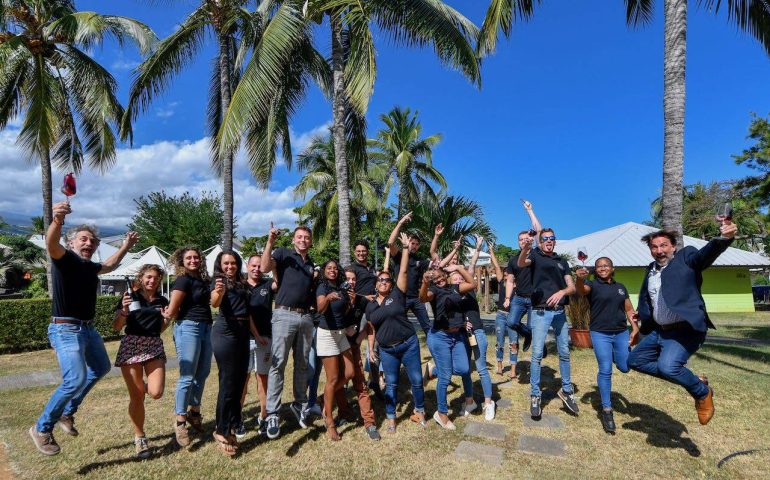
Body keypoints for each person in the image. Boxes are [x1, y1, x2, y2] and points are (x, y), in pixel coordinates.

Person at [29, 201, 138, 456]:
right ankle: (42, 428)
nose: (89, 243)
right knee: (74, 379)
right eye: (83, 239)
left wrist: (125, 246)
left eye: (93, 241)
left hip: (87, 330)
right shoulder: (64, 259)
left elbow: (109, 266)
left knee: (100, 367)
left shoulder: (90, 268)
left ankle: (67, 412)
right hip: (65, 329)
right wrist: (57, 221)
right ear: (72, 243)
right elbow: (51, 244)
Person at [628, 222, 737, 426]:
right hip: (660, 331)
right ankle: (695, 380)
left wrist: (724, 239)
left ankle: (702, 392)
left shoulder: (686, 258)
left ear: (673, 247)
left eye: (664, 246)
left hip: (685, 330)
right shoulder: (651, 270)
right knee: (634, 361)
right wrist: (640, 320)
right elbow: (648, 298)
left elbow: (704, 256)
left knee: (668, 367)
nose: (659, 251)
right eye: (654, 247)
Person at [366, 232, 427, 433]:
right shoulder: (371, 306)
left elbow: (402, 271)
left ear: (391, 284)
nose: (383, 282)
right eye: (380, 280)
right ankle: (391, 418)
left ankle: (420, 411)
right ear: (376, 284)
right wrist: (370, 348)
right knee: (391, 385)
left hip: (408, 344)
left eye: (386, 280)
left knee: (417, 381)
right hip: (387, 350)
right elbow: (371, 328)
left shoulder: (398, 295)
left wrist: (406, 249)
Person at [261, 224, 316, 439]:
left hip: (305, 317)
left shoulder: (311, 264)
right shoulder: (283, 253)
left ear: (310, 242)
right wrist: (270, 241)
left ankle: (299, 403)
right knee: (278, 364)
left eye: (306, 237)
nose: (303, 240)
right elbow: (265, 267)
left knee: (303, 364)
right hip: (284, 314)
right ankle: (273, 413)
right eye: (299, 237)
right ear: (294, 240)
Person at [518, 225, 578, 418]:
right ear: (540, 242)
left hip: (560, 312)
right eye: (545, 238)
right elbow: (521, 263)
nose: (549, 241)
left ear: (555, 240)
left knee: (565, 353)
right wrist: (527, 247)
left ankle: (567, 391)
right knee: (536, 355)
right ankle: (535, 395)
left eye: (552, 238)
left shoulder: (562, 261)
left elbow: (572, 287)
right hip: (540, 312)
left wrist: (562, 292)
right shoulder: (535, 256)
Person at [575, 257, 640, 434]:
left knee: (625, 367)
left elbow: (629, 309)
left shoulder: (621, 288)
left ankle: (611, 354)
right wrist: (579, 278)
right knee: (605, 370)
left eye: (606, 266)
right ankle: (607, 410)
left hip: (620, 332)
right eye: (599, 267)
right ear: (595, 270)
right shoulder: (592, 285)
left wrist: (635, 328)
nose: (602, 268)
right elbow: (581, 290)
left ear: (612, 268)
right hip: (600, 333)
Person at [112, 264, 170, 458]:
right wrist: (124, 311)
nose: (152, 281)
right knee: (137, 397)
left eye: (155, 278)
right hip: (131, 345)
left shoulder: (162, 300)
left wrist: (166, 320)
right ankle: (140, 437)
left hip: (153, 344)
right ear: (141, 278)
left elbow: (159, 328)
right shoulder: (130, 296)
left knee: (155, 392)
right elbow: (115, 327)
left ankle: (140, 385)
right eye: (148, 277)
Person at [419, 263, 477, 430]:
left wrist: (458, 268)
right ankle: (442, 413)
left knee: (464, 369)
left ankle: (432, 370)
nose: (438, 280)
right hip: (440, 337)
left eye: (440, 276)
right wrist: (424, 282)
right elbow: (423, 298)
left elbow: (473, 284)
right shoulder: (434, 291)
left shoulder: (455, 288)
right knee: (445, 377)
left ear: (445, 275)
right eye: (434, 278)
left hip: (457, 336)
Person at [166, 246, 212, 447]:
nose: (193, 260)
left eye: (196, 257)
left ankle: (195, 412)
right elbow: (173, 309)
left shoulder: (202, 281)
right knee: (187, 376)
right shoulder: (182, 280)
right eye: (189, 258)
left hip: (206, 327)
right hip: (188, 327)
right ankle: (180, 421)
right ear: (181, 262)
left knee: (202, 373)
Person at [210, 251, 251, 456]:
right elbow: (214, 302)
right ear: (220, 264)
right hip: (225, 333)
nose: (230, 266)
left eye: (233, 263)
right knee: (227, 382)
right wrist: (220, 291)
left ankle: (232, 424)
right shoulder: (218, 282)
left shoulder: (242, 282)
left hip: (243, 334)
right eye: (226, 263)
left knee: (239, 381)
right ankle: (221, 430)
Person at [315, 259, 357, 441]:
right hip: (327, 334)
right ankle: (330, 422)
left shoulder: (341, 287)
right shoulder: (322, 288)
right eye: (328, 268)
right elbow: (320, 309)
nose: (332, 270)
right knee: (332, 378)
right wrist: (327, 298)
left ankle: (325, 398)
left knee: (349, 372)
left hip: (340, 334)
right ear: (324, 271)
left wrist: (351, 302)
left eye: (334, 268)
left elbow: (343, 312)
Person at [236, 255, 276, 438]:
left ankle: (264, 416)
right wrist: (256, 336)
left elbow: (279, 280)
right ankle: (237, 419)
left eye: (260, 266)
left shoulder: (267, 285)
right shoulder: (239, 286)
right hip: (244, 339)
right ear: (247, 266)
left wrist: (273, 262)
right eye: (253, 265)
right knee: (242, 381)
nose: (256, 269)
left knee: (263, 379)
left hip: (265, 339)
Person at [458, 237, 495, 421]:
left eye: (461, 275)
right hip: (461, 336)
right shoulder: (449, 295)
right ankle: (470, 401)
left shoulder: (469, 287)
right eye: (455, 277)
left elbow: (471, 267)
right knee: (465, 370)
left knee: (481, 368)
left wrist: (478, 249)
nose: (459, 278)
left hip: (477, 332)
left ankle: (489, 403)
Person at [342, 266, 380, 440]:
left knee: (360, 384)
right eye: (347, 279)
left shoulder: (361, 300)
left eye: (353, 279)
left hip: (354, 347)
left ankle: (369, 423)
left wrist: (363, 341)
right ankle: (343, 413)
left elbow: (370, 325)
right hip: (336, 346)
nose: (350, 282)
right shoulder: (335, 298)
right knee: (338, 382)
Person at [387, 212, 431, 333]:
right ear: (407, 242)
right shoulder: (399, 256)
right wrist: (400, 222)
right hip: (401, 297)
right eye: (412, 243)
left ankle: (436, 350)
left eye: (417, 244)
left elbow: (436, 264)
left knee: (427, 326)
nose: (414, 246)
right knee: (395, 324)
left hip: (416, 298)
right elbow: (390, 243)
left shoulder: (420, 260)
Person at [488, 242, 518, 378]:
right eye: (504, 274)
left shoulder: (519, 286)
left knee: (513, 342)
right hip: (501, 315)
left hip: (513, 316)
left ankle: (512, 369)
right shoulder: (501, 283)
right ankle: (500, 366)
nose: (506, 276)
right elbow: (496, 266)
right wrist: (491, 251)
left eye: (508, 274)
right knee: (499, 342)